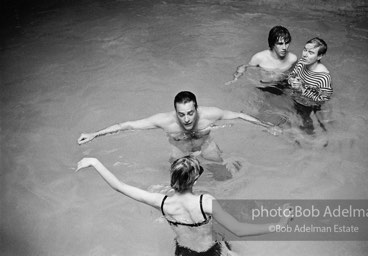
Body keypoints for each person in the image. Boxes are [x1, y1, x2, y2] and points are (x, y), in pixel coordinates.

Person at [75, 156, 293, 255]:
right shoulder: (205, 202)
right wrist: (280, 224)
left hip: (184, 253)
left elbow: (120, 187)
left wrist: (95, 162)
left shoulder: (162, 203)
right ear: (195, 180)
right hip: (212, 252)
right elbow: (240, 230)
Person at [78, 91, 281, 167]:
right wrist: (94, 135)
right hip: (180, 149)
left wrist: (266, 126)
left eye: (190, 113)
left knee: (219, 168)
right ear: (175, 112)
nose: (186, 119)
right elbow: (128, 125)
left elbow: (238, 115)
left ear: (196, 109)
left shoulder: (210, 114)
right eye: (181, 114)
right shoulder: (165, 121)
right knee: (178, 181)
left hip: (205, 143)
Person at [287, 37, 332, 135]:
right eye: (305, 50)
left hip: (309, 104)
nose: (305, 55)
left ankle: (310, 139)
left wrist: (302, 89)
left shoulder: (324, 77)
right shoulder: (301, 63)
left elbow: (323, 99)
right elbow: (292, 74)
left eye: (311, 52)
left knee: (306, 122)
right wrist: (292, 80)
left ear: (319, 56)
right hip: (296, 96)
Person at [226, 25, 298, 85]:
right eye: (280, 44)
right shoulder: (259, 57)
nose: (284, 47)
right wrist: (235, 79)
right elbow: (244, 66)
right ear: (272, 43)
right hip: (265, 86)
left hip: (283, 84)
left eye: (287, 43)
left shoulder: (293, 59)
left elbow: (295, 74)